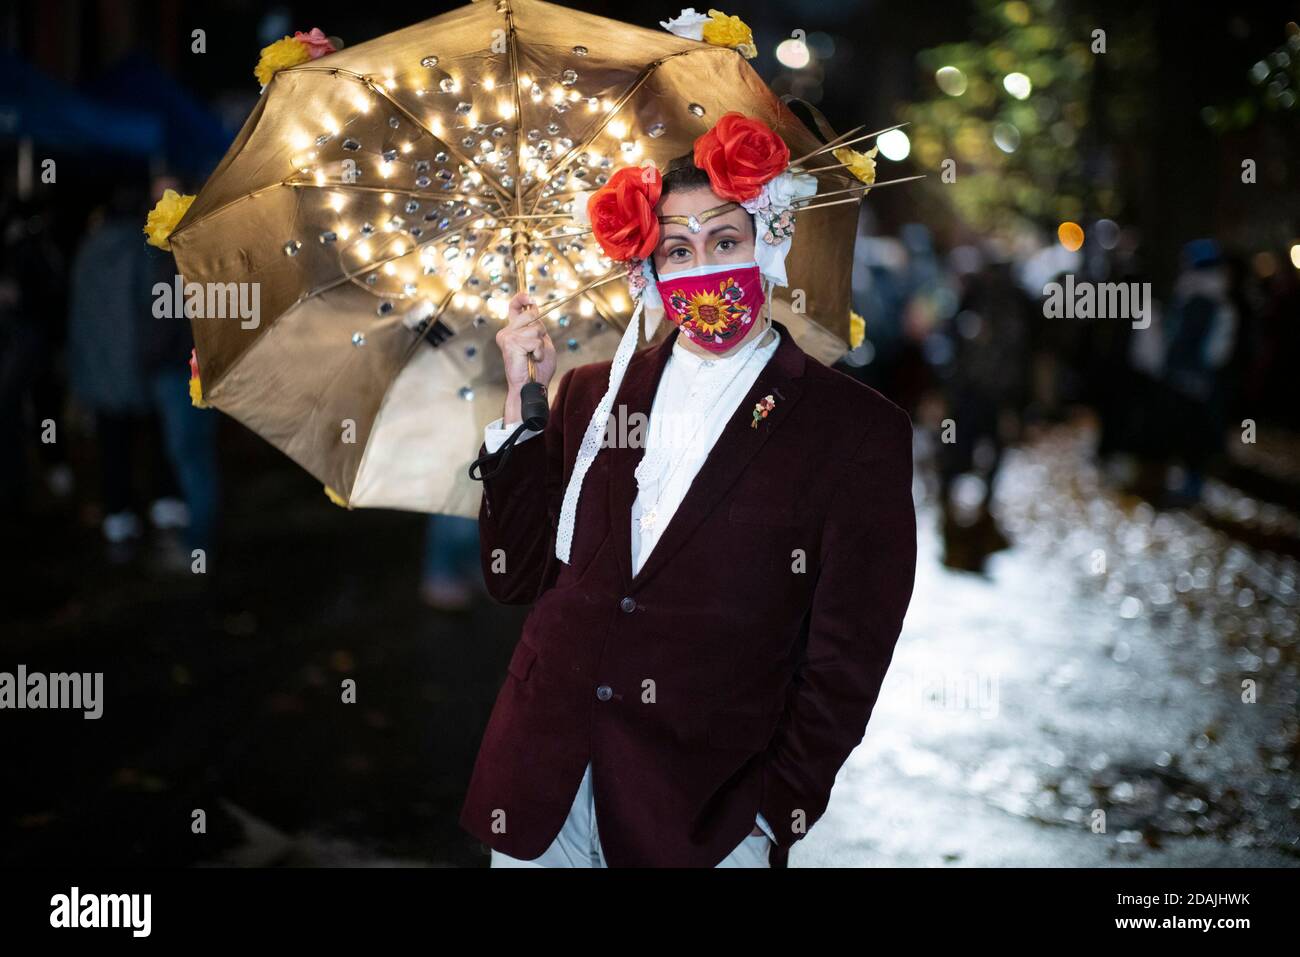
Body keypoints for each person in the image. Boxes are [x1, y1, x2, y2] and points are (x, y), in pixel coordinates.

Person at [460, 114, 917, 867]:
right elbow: (513, 577)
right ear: (650, 270)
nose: (703, 267)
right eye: (678, 249)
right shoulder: (587, 394)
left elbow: (848, 658)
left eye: (724, 241)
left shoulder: (856, 431)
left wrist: (773, 815)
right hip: (540, 783)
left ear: (768, 243)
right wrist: (521, 404)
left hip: (701, 814)